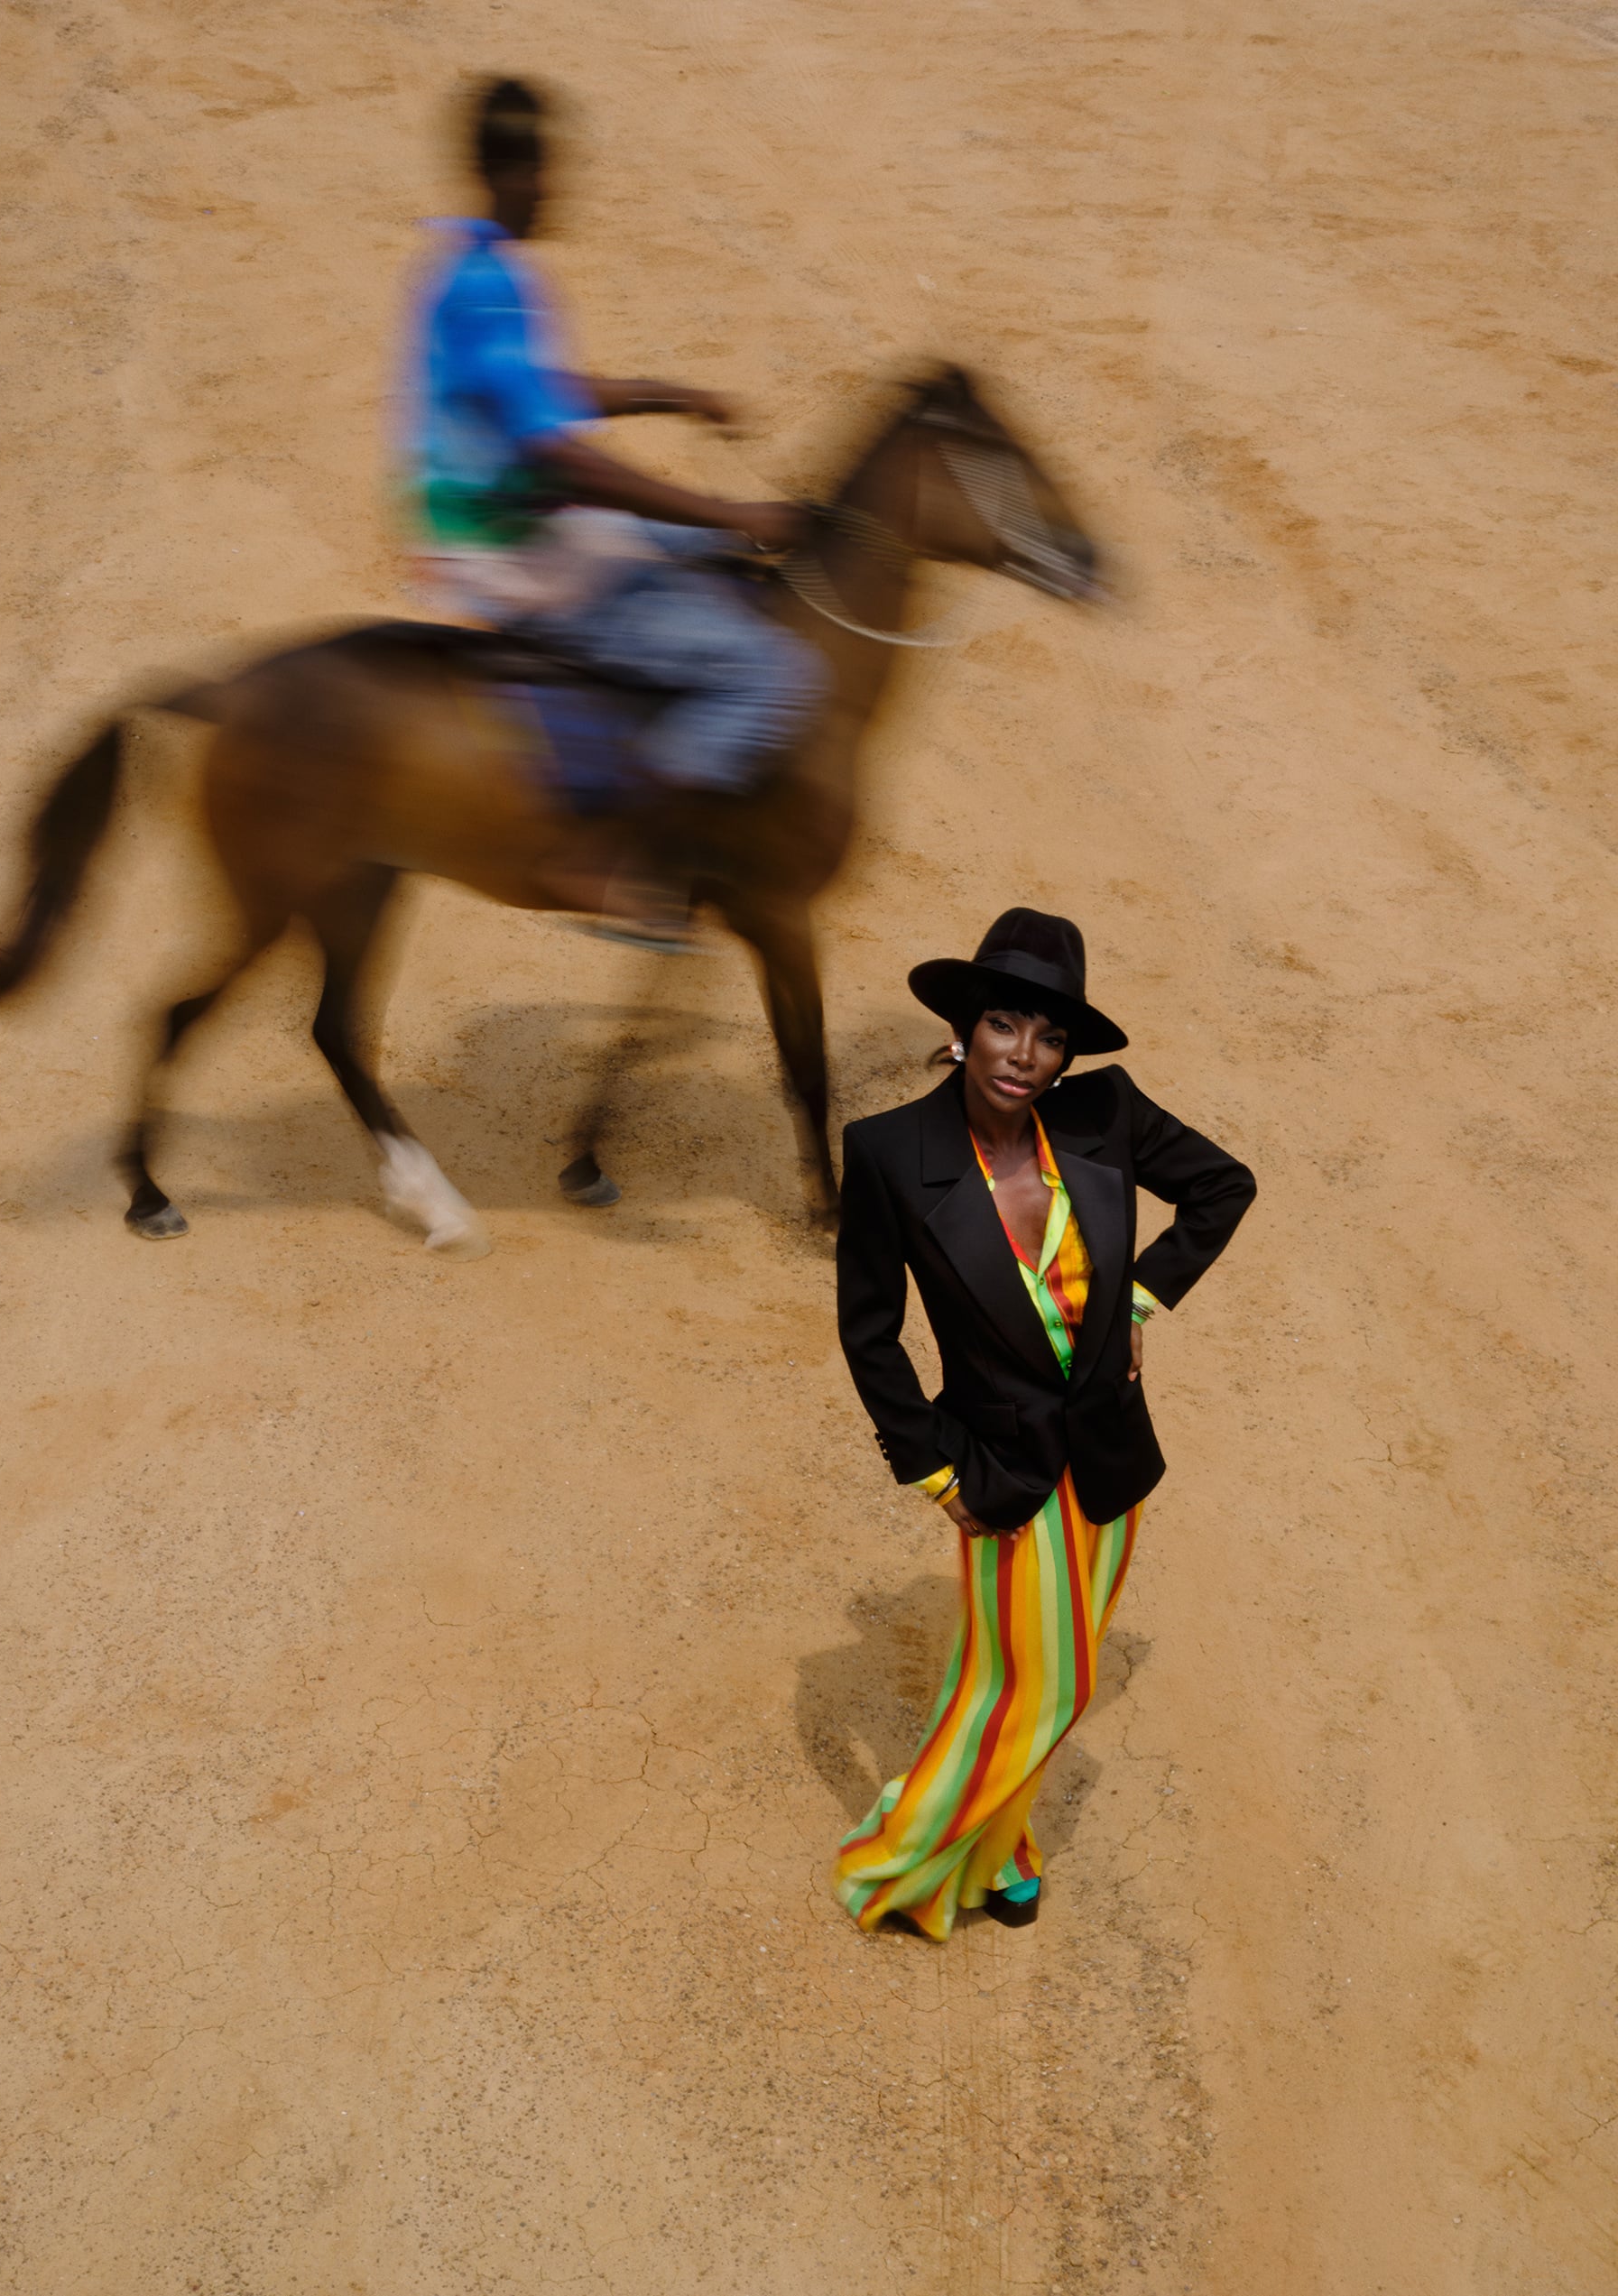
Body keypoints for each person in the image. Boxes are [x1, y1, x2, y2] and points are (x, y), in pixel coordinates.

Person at [831, 908, 1255, 1939]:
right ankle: (901, 1862)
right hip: (997, 1469)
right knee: (1037, 1685)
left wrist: (1141, 1302)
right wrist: (932, 1474)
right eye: (1005, 1024)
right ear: (963, 1028)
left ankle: (1003, 1849)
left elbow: (1219, 1187)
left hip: (1108, 1460)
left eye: (1049, 1035)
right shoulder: (889, 1153)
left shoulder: (1101, 1114)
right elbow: (868, 1332)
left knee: (1027, 1677)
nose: (1024, 1056)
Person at [395, 78, 826, 922]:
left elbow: (536, 390)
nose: (556, 186)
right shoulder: (492, 286)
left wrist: (667, 393)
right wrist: (734, 512)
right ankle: (618, 853)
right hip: (514, 549)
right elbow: (564, 463)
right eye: (543, 169)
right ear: (506, 170)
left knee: (710, 558)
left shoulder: (471, 264)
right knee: (769, 671)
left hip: (505, 520)